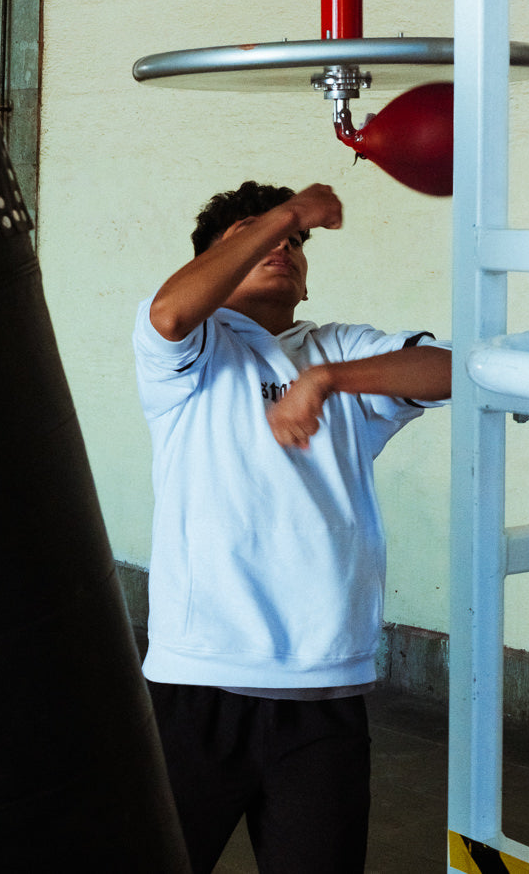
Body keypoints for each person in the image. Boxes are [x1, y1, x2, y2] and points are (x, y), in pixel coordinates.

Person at [133, 181, 451, 873]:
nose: (284, 244)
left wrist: (332, 378)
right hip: (198, 680)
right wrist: (285, 212)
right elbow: (169, 310)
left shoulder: (336, 348)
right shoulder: (191, 351)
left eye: (297, 241)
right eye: (256, 234)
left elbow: (451, 370)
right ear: (212, 262)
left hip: (322, 689)